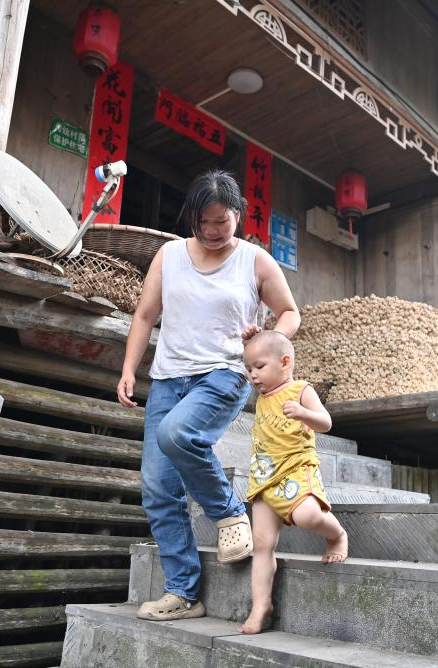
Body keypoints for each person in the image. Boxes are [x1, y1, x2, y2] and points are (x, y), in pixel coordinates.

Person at [117, 169, 300, 622]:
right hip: (168, 378)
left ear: (238, 214)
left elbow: (289, 313)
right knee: (158, 489)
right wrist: (128, 369)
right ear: (192, 218)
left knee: (178, 434)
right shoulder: (169, 255)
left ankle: (229, 512)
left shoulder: (254, 261)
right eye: (204, 222)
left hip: (225, 373)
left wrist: (267, 341)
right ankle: (183, 593)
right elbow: (145, 315)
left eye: (222, 221)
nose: (214, 231)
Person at [237, 330, 348, 635]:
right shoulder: (263, 396)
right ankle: (261, 605)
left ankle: (337, 534)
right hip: (264, 477)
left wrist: (303, 413)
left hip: (296, 469)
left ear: (285, 362)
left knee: (308, 516)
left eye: (259, 366)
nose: (253, 375)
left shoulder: (300, 389)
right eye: (249, 368)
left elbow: (326, 422)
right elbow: (259, 348)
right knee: (262, 543)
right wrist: (252, 340)